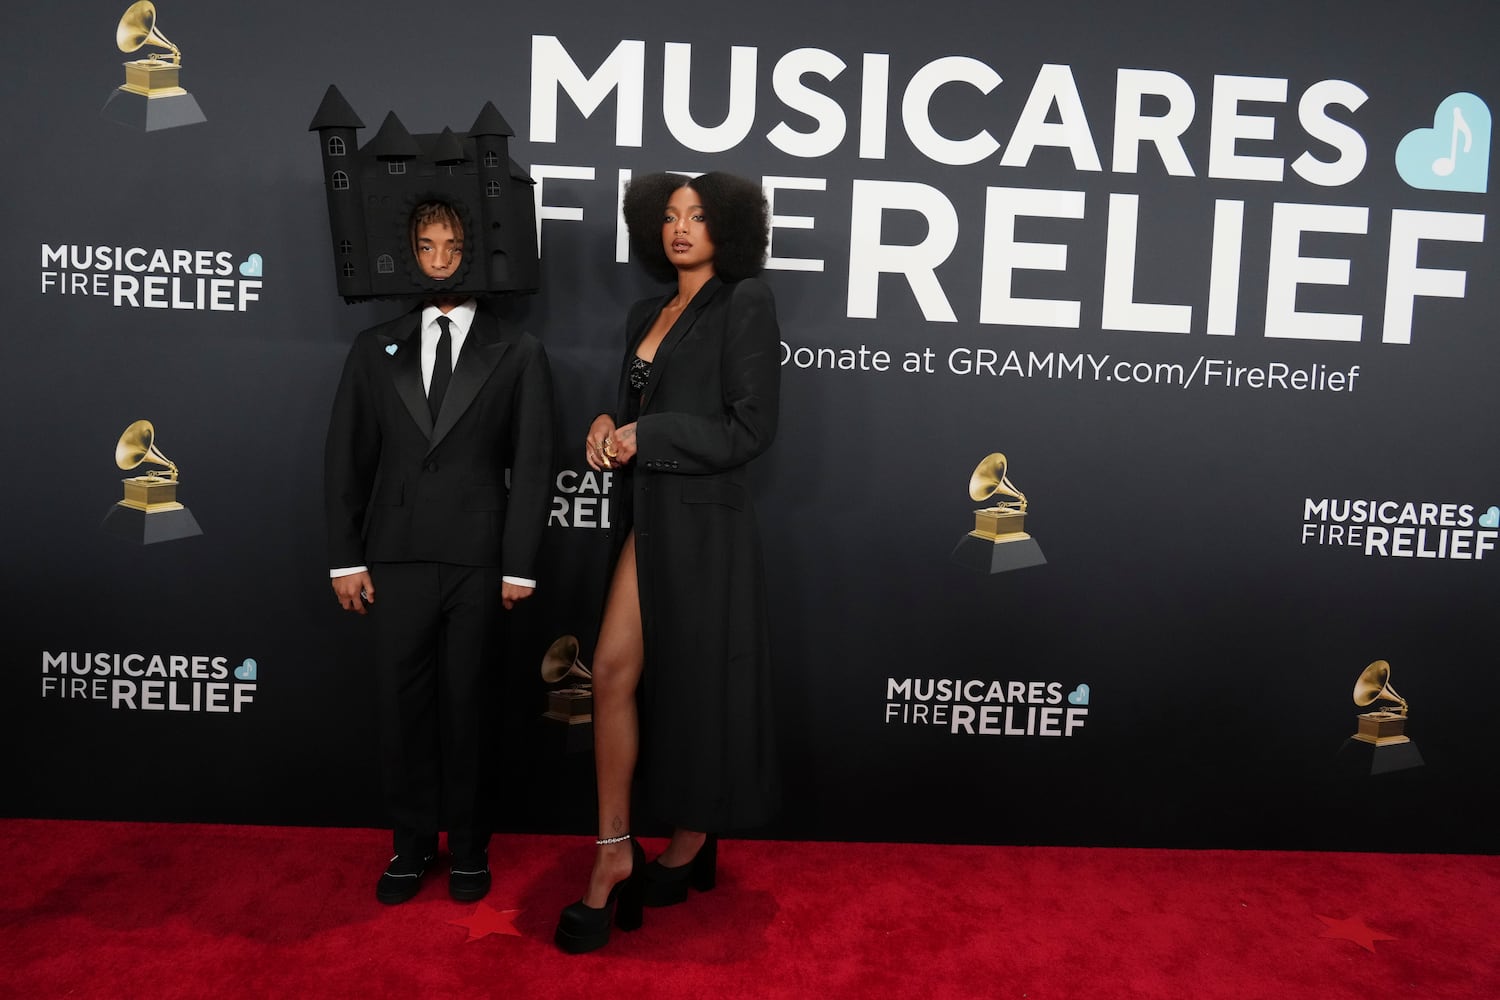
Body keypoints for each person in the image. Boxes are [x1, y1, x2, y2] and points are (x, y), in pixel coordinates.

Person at [554, 172, 780, 953]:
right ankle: (614, 850)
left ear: (730, 229)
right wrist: (608, 424)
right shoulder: (643, 313)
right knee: (612, 673)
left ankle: (690, 839)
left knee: (694, 687)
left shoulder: (744, 302)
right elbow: (639, 414)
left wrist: (653, 436)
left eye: (699, 216)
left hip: (706, 528)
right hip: (646, 517)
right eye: (672, 216)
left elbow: (749, 430)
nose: (681, 228)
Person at [324, 200, 554, 905]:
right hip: (393, 557)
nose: (441, 257)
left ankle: (470, 847)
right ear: (410, 254)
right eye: (427, 245)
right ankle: (410, 844)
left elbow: (534, 461)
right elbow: (345, 461)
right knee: (403, 708)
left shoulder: (517, 351)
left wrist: (518, 563)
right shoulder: (374, 347)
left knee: (471, 707)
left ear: (475, 252)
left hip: (480, 559)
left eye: (453, 245)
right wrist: (345, 558)